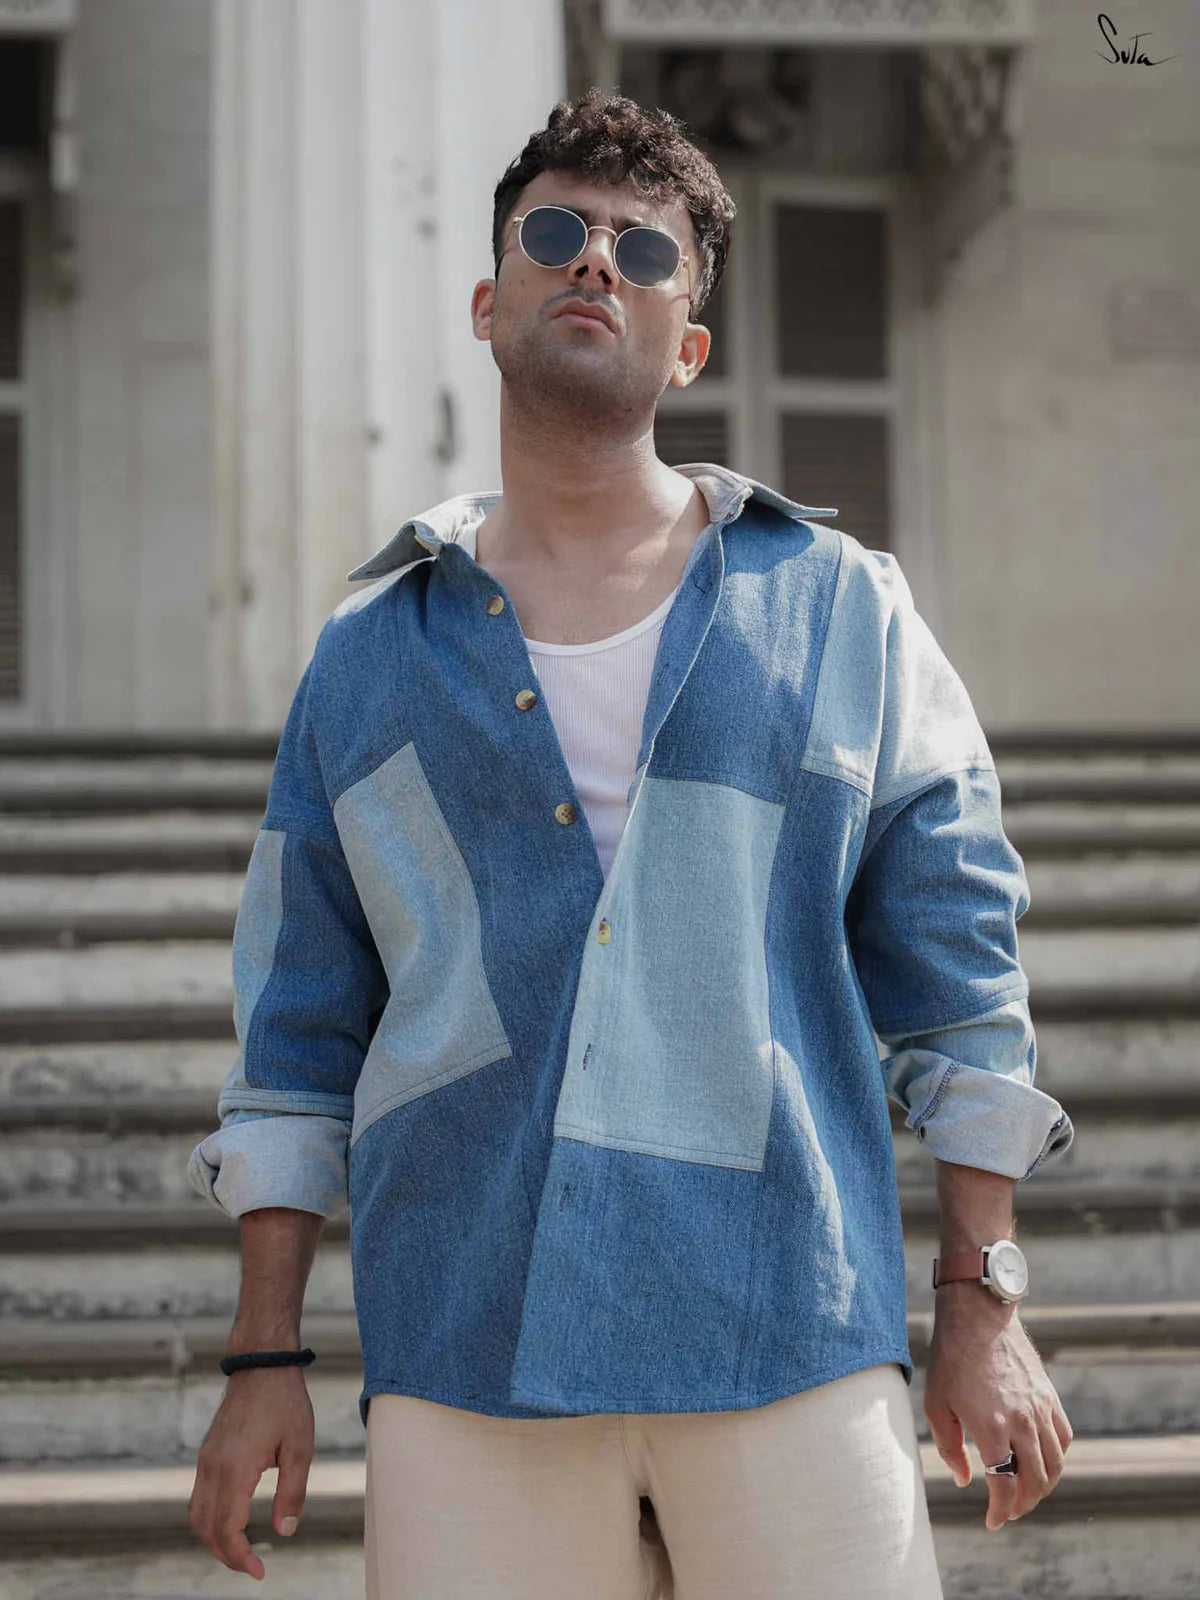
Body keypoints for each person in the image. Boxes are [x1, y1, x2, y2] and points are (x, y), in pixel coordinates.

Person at [186, 90, 1076, 1599]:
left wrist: (981, 1297)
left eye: (643, 252)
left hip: (784, 1319)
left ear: (689, 344)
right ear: (488, 303)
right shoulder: (366, 658)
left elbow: (958, 963)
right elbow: (297, 1029)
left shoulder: (840, 606)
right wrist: (266, 1349)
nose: (595, 263)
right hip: (470, 1342)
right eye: (555, 234)